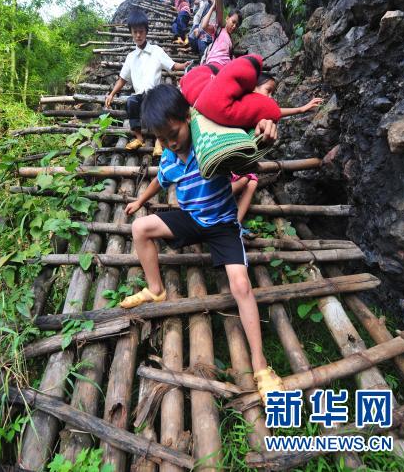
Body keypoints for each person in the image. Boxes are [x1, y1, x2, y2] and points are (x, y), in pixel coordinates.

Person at [118, 83, 283, 404]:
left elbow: (248, 143)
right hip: (192, 219)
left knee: (241, 285)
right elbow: (159, 180)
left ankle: (261, 367)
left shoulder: (212, 144)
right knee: (140, 228)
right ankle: (155, 289)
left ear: (188, 117)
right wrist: (140, 201)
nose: (170, 142)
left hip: (222, 225)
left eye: (174, 133)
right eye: (162, 138)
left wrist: (264, 131)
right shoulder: (169, 157)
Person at [103, 10, 191, 157]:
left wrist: (183, 65)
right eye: (135, 32)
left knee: (160, 110)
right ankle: (139, 138)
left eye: (141, 31)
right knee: (131, 102)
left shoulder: (156, 51)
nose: (138, 35)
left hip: (154, 95)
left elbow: (172, 65)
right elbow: (122, 79)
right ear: (131, 33)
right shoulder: (131, 57)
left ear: (146, 32)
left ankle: (159, 141)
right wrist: (112, 94)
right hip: (139, 95)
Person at [181, 54, 324, 129]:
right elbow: (272, 110)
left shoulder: (247, 104)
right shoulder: (242, 98)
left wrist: (301, 109)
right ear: (253, 86)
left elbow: (272, 110)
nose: (270, 97)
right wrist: (300, 109)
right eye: (268, 90)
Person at [201, 0, 241, 67]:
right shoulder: (219, 30)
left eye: (237, 25)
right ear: (227, 19)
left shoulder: (231, 41)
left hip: (225, 68)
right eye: (233, 22)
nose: (234, 26)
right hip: (214, 63)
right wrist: (212, 8)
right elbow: (204, 26)